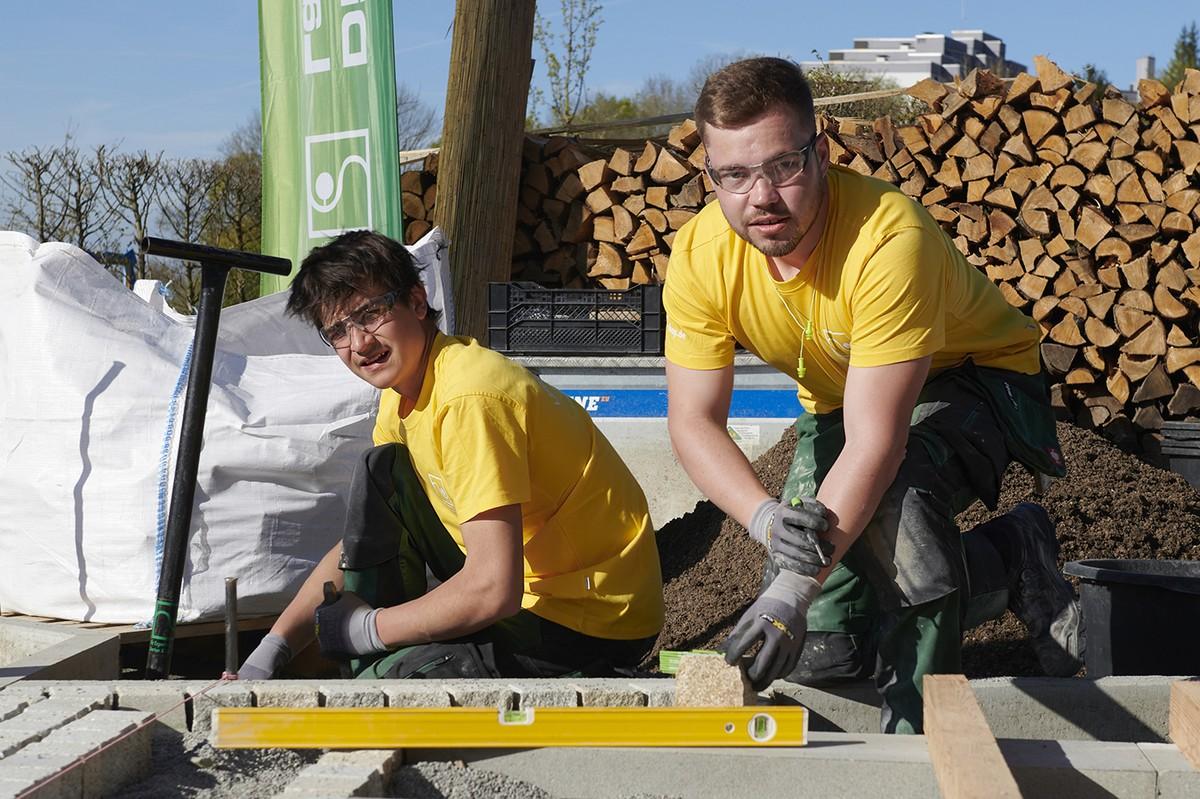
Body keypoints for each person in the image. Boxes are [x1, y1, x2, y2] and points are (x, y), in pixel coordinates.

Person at [663, 57, 1084, 733]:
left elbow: (878, 443)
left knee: (894, 505)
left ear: (821, 152)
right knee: (828, 643)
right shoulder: (700, 255)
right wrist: (768, 520)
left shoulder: (888, 240)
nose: (761, 196)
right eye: (734, 175)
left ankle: (921, 720)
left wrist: (793, 588)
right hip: (844, 401)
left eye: (783, 166)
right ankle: (1010, 556)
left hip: (977, 378)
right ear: (710, 173)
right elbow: (692, 419)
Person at [237, 230, 664, 681]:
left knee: (391, 683)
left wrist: (369, 629)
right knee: (382, 477)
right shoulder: (402, 395)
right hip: (531, 599)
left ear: (417, 302)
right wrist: (271, 651)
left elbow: (495, 589)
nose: (360, 343)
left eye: (370, 314)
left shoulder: (468, 397)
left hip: (590, 622)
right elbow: (362, 539)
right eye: (338, 330)